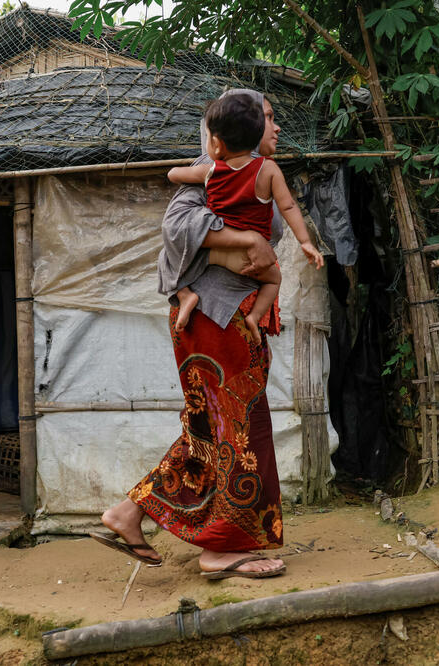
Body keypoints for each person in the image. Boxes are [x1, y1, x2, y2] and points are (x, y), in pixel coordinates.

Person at [92, 89, 295, 579]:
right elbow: (178, 226)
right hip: (214, 320)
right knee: (239, 433)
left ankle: (131, 512)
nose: (275, 127)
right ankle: (222, 549)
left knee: (212, 431)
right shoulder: (211, 171)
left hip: (229, 318)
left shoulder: (255, 176)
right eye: (268, 119)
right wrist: (246, 239)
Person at [168, 93, 324, 339]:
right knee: (275, 279)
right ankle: (249, 315)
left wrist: (176, 171)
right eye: (267, 119)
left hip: (220, 260)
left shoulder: (211, 170)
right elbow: (290, 207)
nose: (276, 127)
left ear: (217, 142)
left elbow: (174, 174)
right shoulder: (268, 171)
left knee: (171, 262)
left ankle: (184, 293)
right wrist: (299, 241)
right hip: (214, 309)